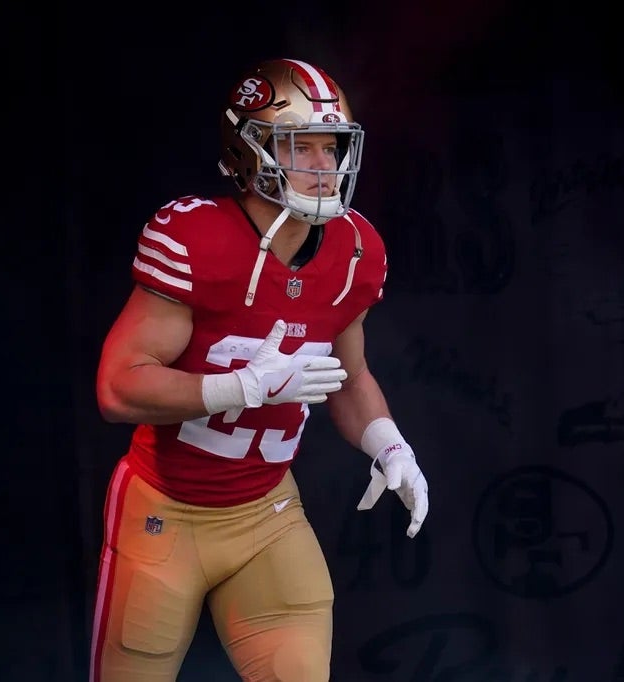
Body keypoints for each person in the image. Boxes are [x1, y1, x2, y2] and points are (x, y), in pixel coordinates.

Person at [88, 58, 430, 682]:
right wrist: (239, 387)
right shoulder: (196, 237)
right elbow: (118, 386)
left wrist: (389, 443)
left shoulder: (356, 251)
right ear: (251, 153)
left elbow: (350, 377)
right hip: (165, 509)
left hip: (266, 511)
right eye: (304, 148)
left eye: (334, 148)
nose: (326, 168)